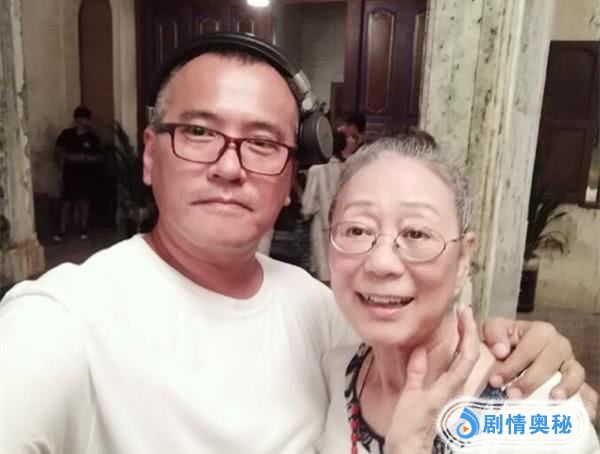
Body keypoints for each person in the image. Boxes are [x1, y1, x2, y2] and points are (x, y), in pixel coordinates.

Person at [0, 33, 596, 454]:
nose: (229, 166)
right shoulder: (58, 322)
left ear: (291, 177)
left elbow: (421, 337)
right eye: (200, 132)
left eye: (262, 142)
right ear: (151, 156)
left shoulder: (322, 314)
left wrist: (532, 360)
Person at [319, 134, 600, 453]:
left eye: (416, 233)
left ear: (464, 258)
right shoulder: (336, 372)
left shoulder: (543, 415)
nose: (381, 262)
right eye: (356, 230)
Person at [53, 106, 103, 241]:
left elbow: (99, 157)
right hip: (69, 173)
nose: (81, 122)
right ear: (75, 120)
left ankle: (83, 229)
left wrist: (85, 158)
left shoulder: (93, 138)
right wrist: (68, 157)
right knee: (66, 202)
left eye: (84, 119)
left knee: (83, 202)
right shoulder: (67, 134)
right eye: (79, 119)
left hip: (85, 174)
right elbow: (57, 150)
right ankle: (61, 231)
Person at [302, 131, 347, 281]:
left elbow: (307, 205)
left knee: (322, 269)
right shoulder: (346, 167)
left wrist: (305, 213)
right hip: (342, 224)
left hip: (320, 225)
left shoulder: (317, 169)